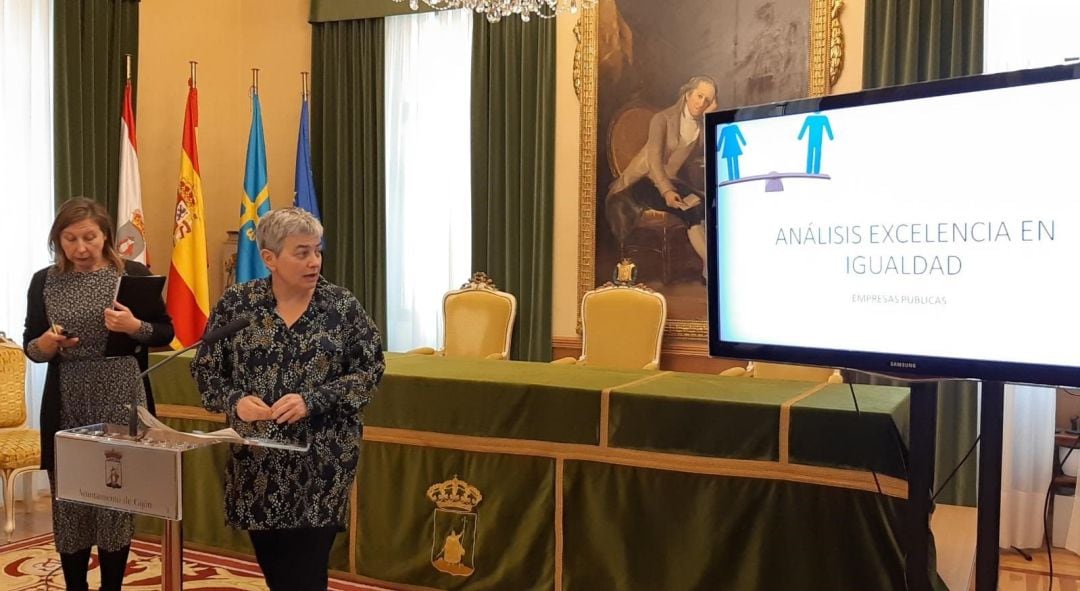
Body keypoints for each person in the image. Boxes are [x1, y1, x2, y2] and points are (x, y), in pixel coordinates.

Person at [191, 207, 385, 591]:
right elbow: (205, 370)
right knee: (277, 572)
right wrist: (236, 401)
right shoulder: (238, 305)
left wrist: (312, 400)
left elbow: (370, 372)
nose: (314, 261)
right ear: (270, 259)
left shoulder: (341, 307)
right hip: (257, 465)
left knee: (307, 573)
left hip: (323, 461)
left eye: (317, 250)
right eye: (302, 252)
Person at [22, 197, 174, 591]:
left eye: (89, 237)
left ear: (106, 235)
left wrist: (133, 325)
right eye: (69, 239)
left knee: (115, 495)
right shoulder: (44, 280)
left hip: (121, 393)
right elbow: (32, 348)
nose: (80, 248)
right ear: (58, 241)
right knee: (70, 499)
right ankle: (76, 586)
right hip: (69, 394)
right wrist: (47, 344)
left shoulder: (134, 274)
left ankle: (111, 587)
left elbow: (164, 332)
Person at [605, 75, 718, 282]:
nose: (701, 103)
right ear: (687, 94)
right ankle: (713, 269)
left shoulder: (700, 127)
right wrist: (667, 191)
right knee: (690, 209)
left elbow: (705, 152)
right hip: (642, 183)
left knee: (707, 204)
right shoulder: (662, 120)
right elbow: (654, 162)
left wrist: (709, 120)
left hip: (669, 180)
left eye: (707, 100)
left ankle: (708, 268)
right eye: (699, 96)